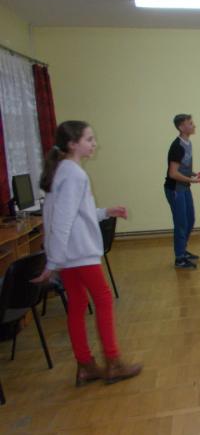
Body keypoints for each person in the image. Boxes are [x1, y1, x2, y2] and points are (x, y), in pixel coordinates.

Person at [32, 121, 142, 386]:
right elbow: (62, 220)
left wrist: (105, 212)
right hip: (79, 253)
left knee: (78, 303)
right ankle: (113, 362)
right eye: (89, 139)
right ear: (73, 144)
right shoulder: (74, 174)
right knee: (103, 299)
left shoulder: (62, 170)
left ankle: (85, 365)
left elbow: (74, 213)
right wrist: (53, 261)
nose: (94, 144)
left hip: (68, 253)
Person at [165, 114, 200, 269]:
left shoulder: (188, 143)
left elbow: (182, 168)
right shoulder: (177, 146)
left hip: (184, 187)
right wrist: (191, 180)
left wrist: (191, 174)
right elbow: (173, 173)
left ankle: (182, 250)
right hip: (175, 189)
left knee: (190, 220)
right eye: (190, 123)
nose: (194, 125)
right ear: (181, 127)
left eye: (192, 123)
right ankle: (179, 258)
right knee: (181, 223)